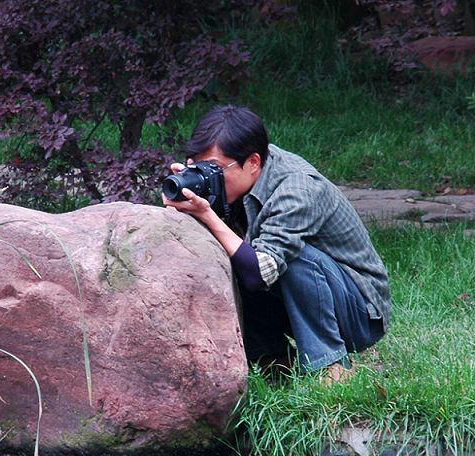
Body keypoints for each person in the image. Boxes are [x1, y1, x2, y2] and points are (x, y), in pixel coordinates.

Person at [162, 104, 390, 382]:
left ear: (253, 162)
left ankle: (330, 365)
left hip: (358, 313)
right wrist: (188, 205)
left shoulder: (297, 188)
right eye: (197, 166)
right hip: (297, 298)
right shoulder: (240, 178)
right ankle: (273, 360)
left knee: (294, 258)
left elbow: (261, 272)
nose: (210, 176)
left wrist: (208, 216)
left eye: (217, 169)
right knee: (229, 256)